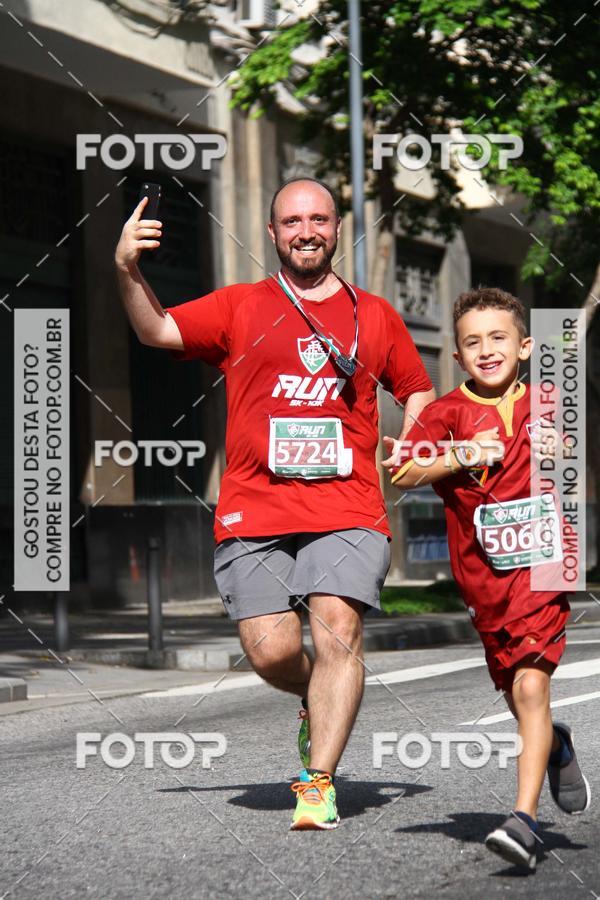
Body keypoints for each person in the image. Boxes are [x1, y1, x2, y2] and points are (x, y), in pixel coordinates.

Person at [115, 176, 435, 830]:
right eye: (292, 221)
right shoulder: (240, 306)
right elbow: (156, 329)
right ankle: (319, 698)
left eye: (319, 218)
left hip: (348, 507)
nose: (307, 231)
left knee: (337, 631)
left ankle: (316, 783)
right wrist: (124, 267)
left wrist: (418, 442)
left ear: (338, 227)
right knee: (269, 652)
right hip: (253, 509)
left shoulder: (372, 314)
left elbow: (418, 390)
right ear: (272, 233)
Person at [388, 287, 590, 869]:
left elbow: (570, 465)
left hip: (544, 565)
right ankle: (555, 744)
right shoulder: (445, 412)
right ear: (456, 356)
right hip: (482, 576)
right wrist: (459, 454)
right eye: (472, 342)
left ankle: (523, 822)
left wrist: (561, 447)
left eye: (499, 338)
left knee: (531, 687)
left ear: (526, 346)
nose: (487, 349)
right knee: (513, 690)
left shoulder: (552, 400)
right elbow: (403, 471)